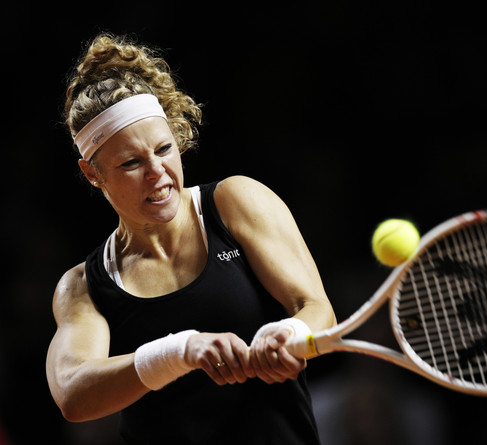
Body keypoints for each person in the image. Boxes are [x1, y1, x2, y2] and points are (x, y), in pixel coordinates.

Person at [46, 33, 336, 444]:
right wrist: (180, 351)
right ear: (93, 174)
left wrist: (289, 337)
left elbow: (315, 308)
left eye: (164, 149)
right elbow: (73, 393)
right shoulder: (83, 287)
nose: (157, 172)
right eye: (131, 162)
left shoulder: (236, 201)